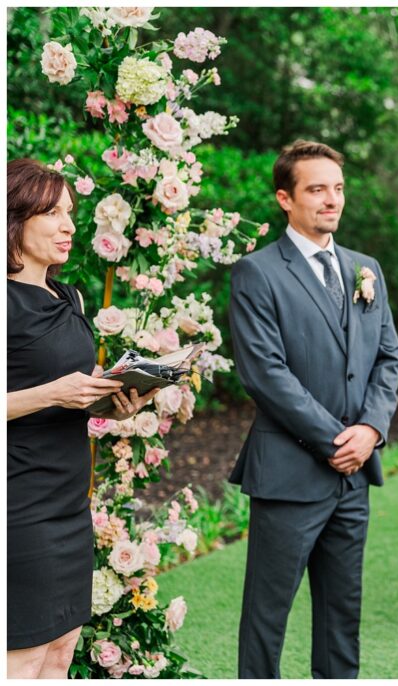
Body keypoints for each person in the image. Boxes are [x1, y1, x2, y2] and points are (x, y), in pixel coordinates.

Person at [228, 140, 398, 678]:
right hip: (289, 473)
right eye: (317, 189)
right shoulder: (257, 272)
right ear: (286, 197)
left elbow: (389, 356)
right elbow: (265, 374)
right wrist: (337, 441)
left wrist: (370, 429)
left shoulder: (364, 268)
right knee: (267, 615)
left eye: (338, 188)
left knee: (342, 614)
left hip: (354, 477)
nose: (333, 200)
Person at [7, 159, 157, 678]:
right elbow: (48, 388)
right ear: (15, 218)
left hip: (70, 501)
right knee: (21, 654)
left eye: (72, 212)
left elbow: (74, 381)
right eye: (53, 213)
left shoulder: (68, 296)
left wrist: (113, 399)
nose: (71, 225)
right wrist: (53, 393)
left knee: (62, 648)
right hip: (17, 505)